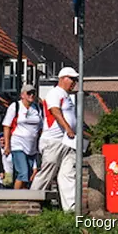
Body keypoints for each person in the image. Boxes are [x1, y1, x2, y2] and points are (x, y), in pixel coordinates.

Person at [30, 67, 78, 212]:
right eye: (72, 79)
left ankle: (71, 209)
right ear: (62, 78)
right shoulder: (54, 93)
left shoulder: (67, 96)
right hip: (54, 140)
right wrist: (68, 128)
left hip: (67, 141)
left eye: (75, 80)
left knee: (68, 173)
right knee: (47, 171)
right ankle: (31, 201)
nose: (74, 82)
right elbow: (55, 111)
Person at [3, 83, 43, 189]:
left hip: (32, 147)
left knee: (29, 174)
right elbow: (7, 126)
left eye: (33, 93)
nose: (31, 95)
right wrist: (7, 145)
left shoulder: (37, 108)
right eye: (29, 93)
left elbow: (41, 127)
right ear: (22, 95)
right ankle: (15, 197)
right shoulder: (15, 106)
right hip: (18, 144)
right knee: (23, 172)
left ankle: (23, 196)